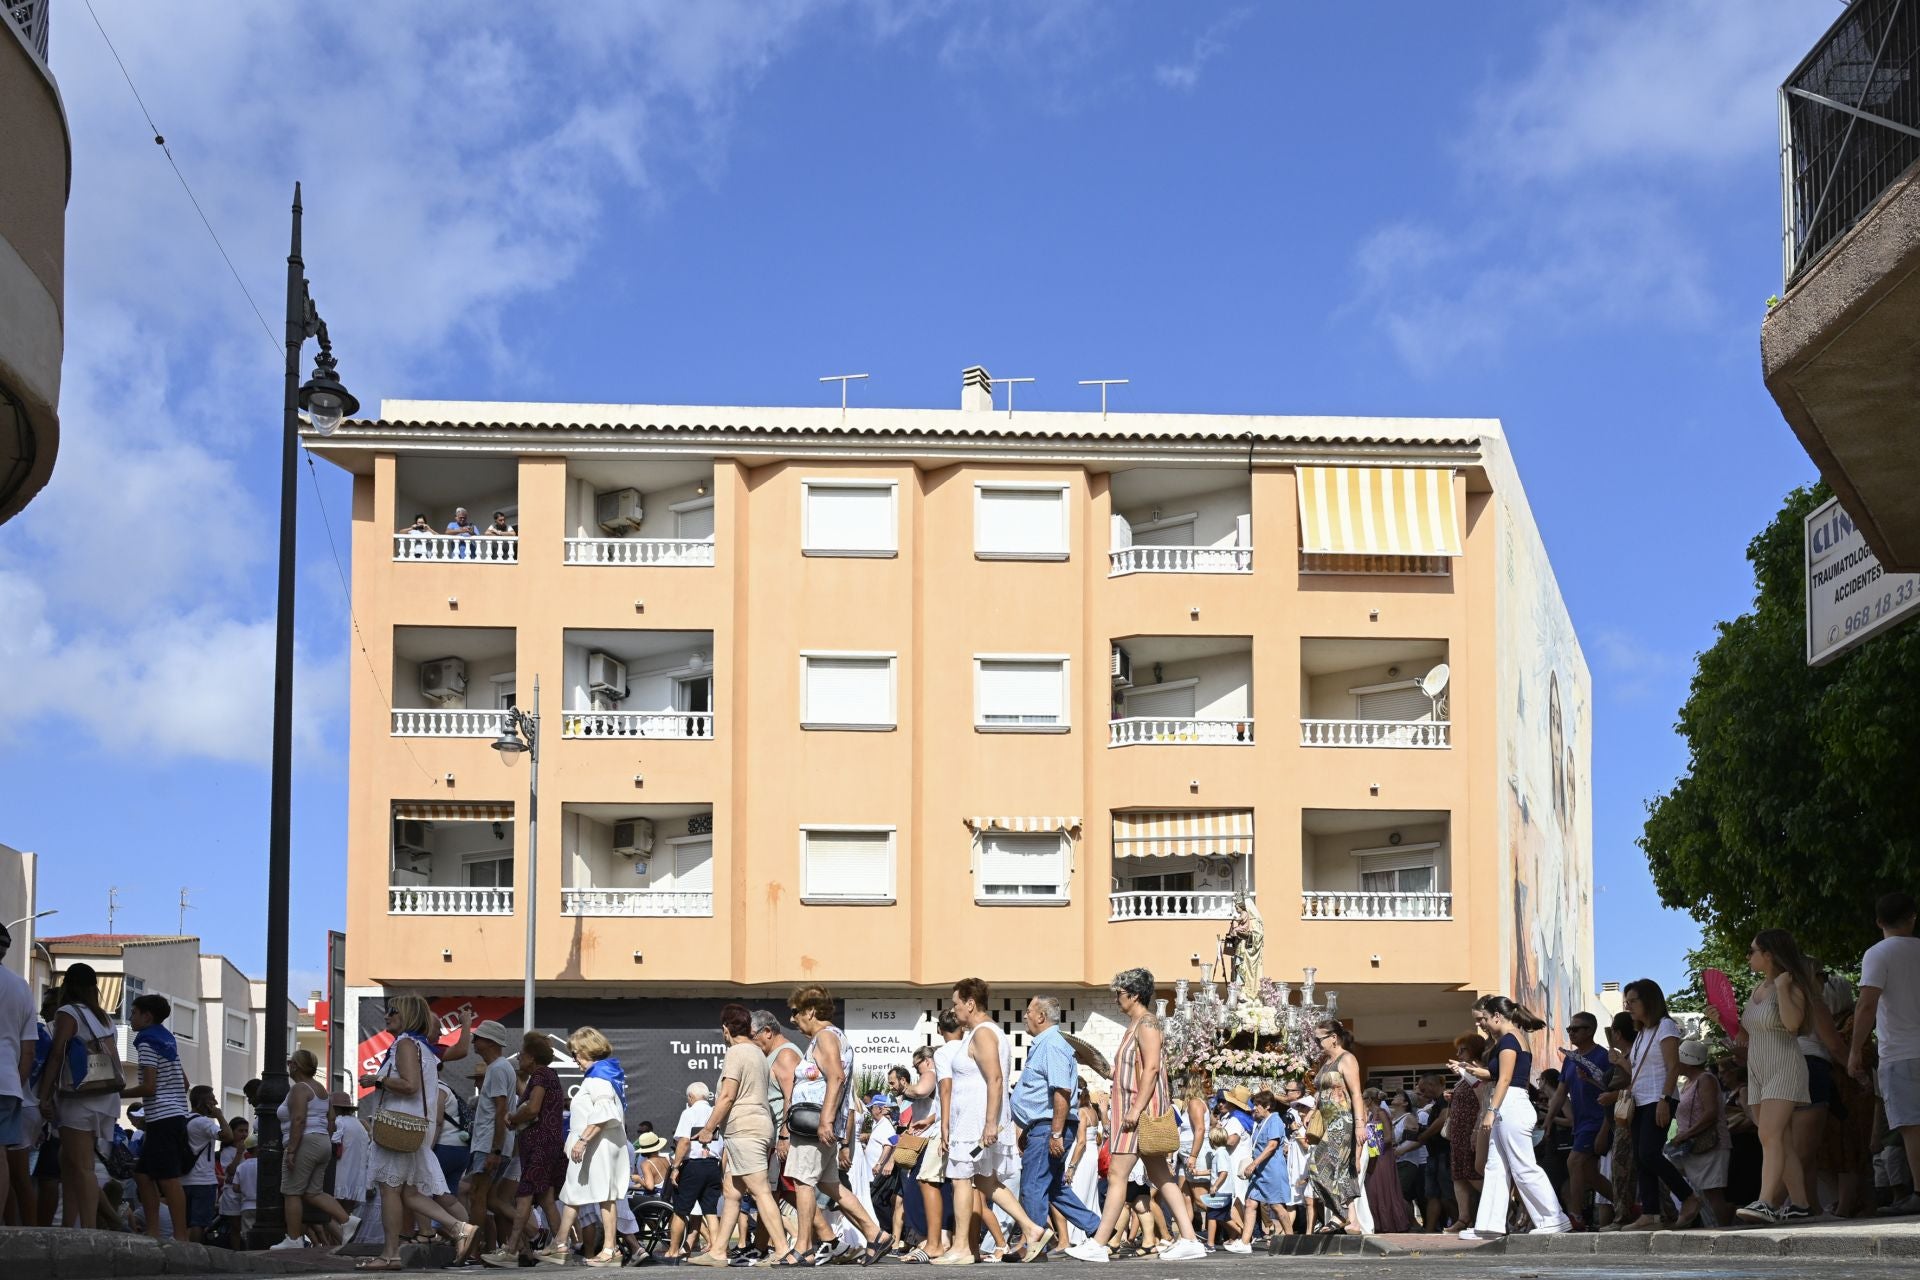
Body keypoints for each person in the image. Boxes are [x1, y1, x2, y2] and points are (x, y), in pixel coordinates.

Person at [1065, 968, 1207, 1262]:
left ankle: (1100, 1243)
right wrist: (1093, 1063)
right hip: (1133, 1112)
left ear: (1134, 994)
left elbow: (1152, 1068)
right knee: (1161, 1176)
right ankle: (1190, 1239)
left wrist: (1135, 1108)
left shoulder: (1147, 1024)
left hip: (1139, 1114)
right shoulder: (1136, 1025)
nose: (1116, 999)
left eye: (1119, 994)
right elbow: (1125, 1074)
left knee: (1117, 1174)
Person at [357, 993, 478, 1271]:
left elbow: (410, 1085)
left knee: (390, 1190)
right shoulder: (422, 1047)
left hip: (400, 1125)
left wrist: (377, 1079)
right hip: (413, 1126)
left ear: (408, 1016)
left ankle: (390, 1254)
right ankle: (459, 1228)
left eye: (393, 1012)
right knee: (409, 1193)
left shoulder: (406, 1045)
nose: (387, 1016)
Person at [942, 977, 1050, 1264]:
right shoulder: (980, 1033)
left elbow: (996, 1079)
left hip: (975, 1123)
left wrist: (990, 1123)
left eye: (956, 1004)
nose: (953, 1011)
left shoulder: (983, 1034)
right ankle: (1031, 1227)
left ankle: (962, 1247)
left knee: (961, 1178)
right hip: (976, 1120)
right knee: (986, 1181)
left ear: (970, 1003)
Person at [784, 985, 890, 1264]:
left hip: (815, 1125)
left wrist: (825, 1120)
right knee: (831, 1185)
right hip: (823, 1125)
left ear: (810, 1010)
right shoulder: (829, 1037)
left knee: (803, 1181)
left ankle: (804, 1246)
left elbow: (836, 1078)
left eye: (796, 1012)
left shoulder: (826, 1037)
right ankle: (875, 1234)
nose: (793, 1019)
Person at [689, 1003, 793, 1267]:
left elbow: (726, 1096)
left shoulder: (736, 1052)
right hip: (757, 1126)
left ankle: (782, 1250)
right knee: (732, 1191)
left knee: (759, 1190)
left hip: (745, 1129)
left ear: (726, 1029)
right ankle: (719, 1250)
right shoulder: (758, 1052)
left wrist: (708, 1128)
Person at [1458, 996, 1569, 1240]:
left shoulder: (1509, 1040)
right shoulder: (1512, 1038)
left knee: (1523, 1166)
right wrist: (1477, 1072)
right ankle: (1489, 1225)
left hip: (1511, 1105)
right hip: (1509, 1104)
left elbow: (1506, 1079)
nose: (1483, 1024)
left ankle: (1554, 1218)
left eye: (1485, 1019)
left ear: (1497, 1015)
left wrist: (1491, 1111)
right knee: (1495, 1166)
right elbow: (1501, 1075)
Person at [1730, 929, 1818, 1223]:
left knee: (1769, 1134)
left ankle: (1766, 1201)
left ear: (1769, 954)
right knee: (1780, 1138)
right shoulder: (1756, 990)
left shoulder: (1791, 985)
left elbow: (1793, 1025)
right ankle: (1801, 1204)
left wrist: (1782, 988)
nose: (1748, 955)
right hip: (1758, 1068)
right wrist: (1725, 1022)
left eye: (1752, 950)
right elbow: (1746, 1035)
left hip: (1784, 1064)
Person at [1010, 996, 1100, 1249]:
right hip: (1043, 1127)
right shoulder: (1046, 1044)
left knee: (1032, 1185)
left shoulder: (1051, 1044)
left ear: (1041, 1017)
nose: (1024, 1016)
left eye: (1028, 1011)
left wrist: (1056, 1133)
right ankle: (1099, 1229)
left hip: (1048, 1126)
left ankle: (1033, 1244)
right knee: (1053, 1188)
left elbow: (1061, 1091)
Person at [1851, 891, 1920, 1217]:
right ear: (1912, 917)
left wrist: (1855, 1051)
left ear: (1879, 921)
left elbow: (1867, 1004)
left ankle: (1918, 1191)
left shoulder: (1877, 954)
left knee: (1910, 1126)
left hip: (1899, 1051)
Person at [38, 963, 123, 1228]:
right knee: (70, 1162)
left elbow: (57, 1054)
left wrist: (44, 1094)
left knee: (81, 1165)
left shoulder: (67, 1012)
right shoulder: (104, 1017)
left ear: (67, 985)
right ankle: (70, 1225)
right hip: (104, 1095)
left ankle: (88, 1228)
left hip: (79, 1097)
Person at [548, 1027, 630, 1268]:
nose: (574, 1060)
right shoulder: (604, 1074)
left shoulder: (598, 1077)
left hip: (597, 1145)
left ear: (585, 1051)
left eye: (575, 1054)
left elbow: (604, 1112)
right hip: (593, 1144)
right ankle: (560, 1243)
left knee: (605, 1195)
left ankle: (610, 1249)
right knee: (574, 1191)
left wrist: (583, 1140)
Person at [1615, 979, 1692, 1231]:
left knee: (1649, 1153)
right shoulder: (1642, 1034)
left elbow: (1673, 1066)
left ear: (1649, 1000)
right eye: (1627, 1002)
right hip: (1640, 1100)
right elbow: (1640, 1070)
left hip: (1658, 1099)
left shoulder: (1666, 1026)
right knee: (1641, 1157)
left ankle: (1689, 1198)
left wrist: (1665, 1100)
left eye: (1633, 1001)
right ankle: (1650, 1212)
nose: (1628, 1006)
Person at [487, 1033, 567, 1266]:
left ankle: (511, 1250)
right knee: (546, 1197)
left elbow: (532, 1109)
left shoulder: (541, 1074)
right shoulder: (549, 1074)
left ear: (531, 1057)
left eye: (521, 1054)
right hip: (548, 1144)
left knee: (524, 1194)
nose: (519, 1057)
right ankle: (560, 1247)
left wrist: (512, 1117)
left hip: (539, 1145)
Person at [269, 1048, 352, 1249]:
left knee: (291, 1192)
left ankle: (294, 1239)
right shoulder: (321, 1089)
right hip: (322, 1141)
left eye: (291, 1063)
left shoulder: (299, 1089)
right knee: (313, 1192)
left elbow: (299, 1119)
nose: (289, 1066)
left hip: (304, 1142)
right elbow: (331, 1119)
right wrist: (325, 1138)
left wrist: (291, 1150)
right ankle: (349, 1222)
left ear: (296, 1066)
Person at [1546, 1011, 1611, 1230]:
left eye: (1576, 1029)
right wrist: (1548, 1119)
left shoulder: (1604, 1056)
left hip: (1598, 1121)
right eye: (1569, 1029)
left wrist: (1606, 1126)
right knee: (1590, 1175)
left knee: (1573, 1162)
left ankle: (1576, 1216)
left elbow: (1613, 1091)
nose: (1571, 1033)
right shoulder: (1570, 1060)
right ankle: (1627, 1206)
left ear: (1590, 1030)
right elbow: (1561, 1092)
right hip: (1581, 1123)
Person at [1301, 1020, 1365, 1235]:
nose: (1317, 1044)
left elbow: (1356, 1093)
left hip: (1342, 1120)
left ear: (1333, 1037)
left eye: (1319, 1039)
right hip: (1327, 1121)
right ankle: (1353, 1222)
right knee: (1343, 1174)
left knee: (1317, 1166)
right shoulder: (1327, 1062)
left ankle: (1340, 1214)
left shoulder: (1347, 1059)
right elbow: (1320, 1092)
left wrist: (1360, 1125)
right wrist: (1312, 1110)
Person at [465, 1020, 519, 1251]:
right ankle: (512, 1246)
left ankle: (472, 1252)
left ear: (489, 1042)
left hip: (489, 1144)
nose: (473, 1042)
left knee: (477, 1196)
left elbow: (501, 1110)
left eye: (477, 1038)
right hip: (495, 1144)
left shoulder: (497, 1068)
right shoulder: (501, 1068)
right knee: (486, 1198)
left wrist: (495, 1150)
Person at [1669, 1039, 1731, 1228]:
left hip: (1710, 1144)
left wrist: (1686, 1134)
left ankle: (1723, 1229)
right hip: (1692, 1147)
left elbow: (1710, 1113)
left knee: (1712, 1192)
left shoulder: (1705, 1079)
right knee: (1701, 1191)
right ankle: (1712, 1226)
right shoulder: (1688, 1082)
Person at [1225, 1090, 1292, 1251]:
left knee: (1276, 1206)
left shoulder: (1274, 1120)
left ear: (1267, 1106)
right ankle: (1245, 1242)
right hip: (1260, 1173)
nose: (1254, 1108)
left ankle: (1291, 1239)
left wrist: (1253, 1164)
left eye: (1257, 1105)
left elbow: (1272, 1146)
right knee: (1250, 1203)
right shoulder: (1261, 1122)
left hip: (1271, 1171)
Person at [0, 921, 34, 1228]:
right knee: (1, 1154)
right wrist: (17, 1082)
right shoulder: (21, 986)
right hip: (8, 1083)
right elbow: (28, 1051)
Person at [669, 1081, 723, 1257]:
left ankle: (673, 1251)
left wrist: (675, 1167)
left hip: (693, 1166)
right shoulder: (717, 1113)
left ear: (691, 1097)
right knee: (710, 1210)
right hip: (713, 1165)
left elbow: (684, 1142)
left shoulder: (689, 1112)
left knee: (680, 1210)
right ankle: (716, 1251)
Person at [1445, 1036, 1486, 1232]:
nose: (1458, 1054)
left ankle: (1503, 1207)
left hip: (1470, 1129)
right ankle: (1463, 1218)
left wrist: (1476, 1130)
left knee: (1472, 1173)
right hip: (1458, 1132)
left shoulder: (1478, 1072)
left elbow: (1482, 1100)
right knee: (1459, 1175)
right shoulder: (1466, 1075)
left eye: (1462, 1050)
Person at [332, 1091, 371, 1241]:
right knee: (346, 1213)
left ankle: (338, 1242)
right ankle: (343, 1241)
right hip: (356, 1178)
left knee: (333, 1214)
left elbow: (333, 1143)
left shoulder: (339, 1122)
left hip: (339, 1174)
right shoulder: (359, 1124)